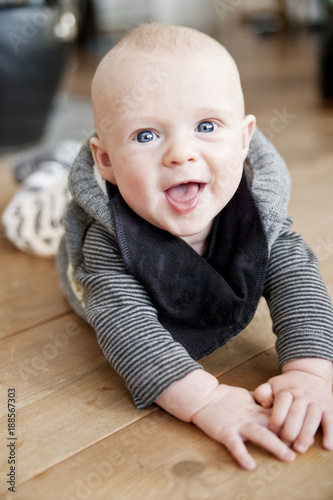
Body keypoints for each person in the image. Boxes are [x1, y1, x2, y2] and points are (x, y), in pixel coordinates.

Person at [4, 23, 333, 471]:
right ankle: (47, 169)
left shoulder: (258, 212)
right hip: (63, 227)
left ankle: (68, 153)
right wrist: (206, 398)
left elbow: (298, 279)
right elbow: (128, 328)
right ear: (107, 161)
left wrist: (310, 372)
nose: (181, 153)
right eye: (146, 135)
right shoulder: (107, 244)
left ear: (243, 139)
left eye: (206, 126)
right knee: (27, 222)